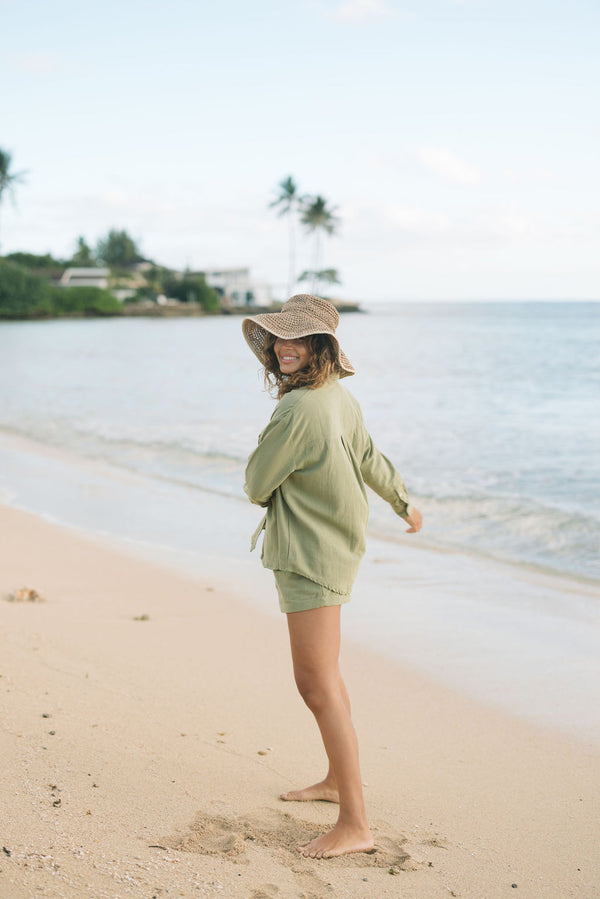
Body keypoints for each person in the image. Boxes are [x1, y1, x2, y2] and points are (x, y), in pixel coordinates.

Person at [242, 294, 422, 859]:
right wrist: (403, 502)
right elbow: (370, 457)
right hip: (334, 546)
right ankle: (335, 782)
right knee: (328, 679)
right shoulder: (336, 396)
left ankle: (356, 823)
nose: (284, 347)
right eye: (279, 338)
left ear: (320, 347)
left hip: (311, 554)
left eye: (298, 339)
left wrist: (276, 481)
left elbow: (255, 483)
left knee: (315, 683)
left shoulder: (298, 410)